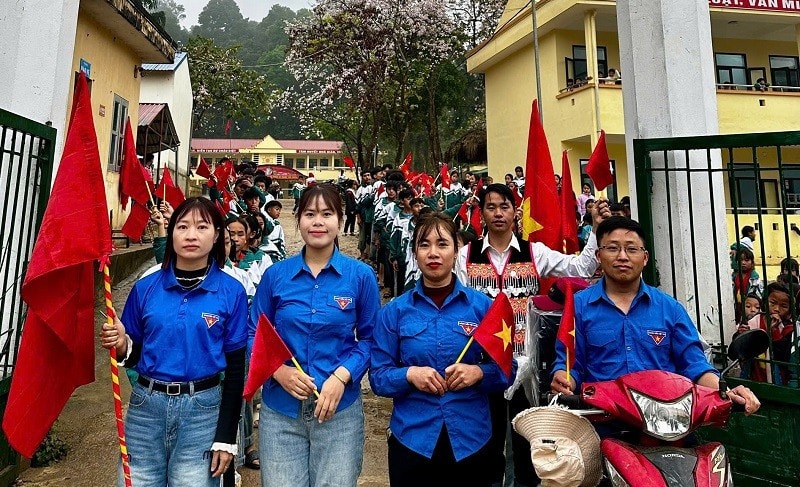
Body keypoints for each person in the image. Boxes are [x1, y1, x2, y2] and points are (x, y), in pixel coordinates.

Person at [455, 183, 611, 487]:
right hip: (482, 367)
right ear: (481, 213)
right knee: (484, 448)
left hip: (526, 368)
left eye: (504, 207)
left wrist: (595, 230)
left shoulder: (533, 252)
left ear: (515, 212)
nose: (498, 213)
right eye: (491, 207)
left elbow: (580, 268)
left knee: (528, 449)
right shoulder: (465, 256)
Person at [550, 217, 761, 421]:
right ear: (598, 255)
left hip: (667, 422)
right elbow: (570, 364)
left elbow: (694, 365)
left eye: (632, 249)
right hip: (602, 421)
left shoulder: (670, 309)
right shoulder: (578, 306)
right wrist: (564, 379)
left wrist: (726, 391)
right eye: (612, 248)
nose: (622, 256)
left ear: (645, 258)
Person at [100, 197, 248, 486]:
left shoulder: (232, 291)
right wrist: (121, 343)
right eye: (182, 226)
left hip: (203, 411)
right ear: (171, 232)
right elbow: (134, 355)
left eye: (202, 227)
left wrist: (226, 437)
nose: (191, 235)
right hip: (145, 409)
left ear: (217, 235)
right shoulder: (146, 287)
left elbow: (235, 370)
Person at [248, 183, 380, 487]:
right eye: (309, 214)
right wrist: (278, 371)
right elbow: (253, 332)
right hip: (280, 412)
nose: (318, 222)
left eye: (327, 214)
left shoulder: (361, 277)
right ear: (299, 220)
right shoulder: (276, 275)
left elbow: (372, 339)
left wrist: (342, 377)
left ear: (340, 220)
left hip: (339, 412)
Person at [371, 212, 516, 486]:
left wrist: (478, 373)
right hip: (412, 440)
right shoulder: (394, 312)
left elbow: (508, 370)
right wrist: (409, 375)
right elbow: (378, 377)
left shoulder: (483, 308)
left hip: (471, 440)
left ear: (456, 251)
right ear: (414, 253)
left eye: (442, 244)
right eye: (424, 245)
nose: (433, 253)